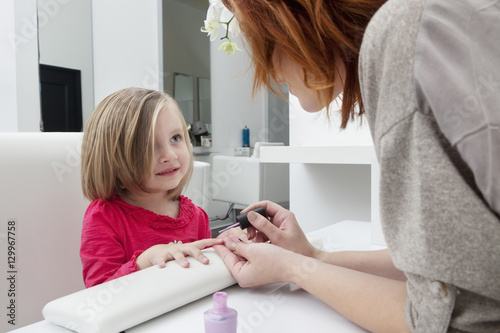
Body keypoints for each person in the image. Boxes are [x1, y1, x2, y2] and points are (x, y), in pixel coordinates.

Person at [211, 0, 500, 332]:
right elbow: (445, 271)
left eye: (263, 43)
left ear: (293, 17)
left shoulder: (401, 32)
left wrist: (291, 269)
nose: (272, 72)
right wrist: (312, 258)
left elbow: (446, 319)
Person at [80, 87, 222, 288]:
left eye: (175, 138)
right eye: (149, 145)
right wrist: (145, 261)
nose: (170, 155)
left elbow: (207, 277)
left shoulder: (197, 217)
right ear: (115, 158)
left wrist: (226, 249)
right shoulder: (104, 218)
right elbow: (97, 294)